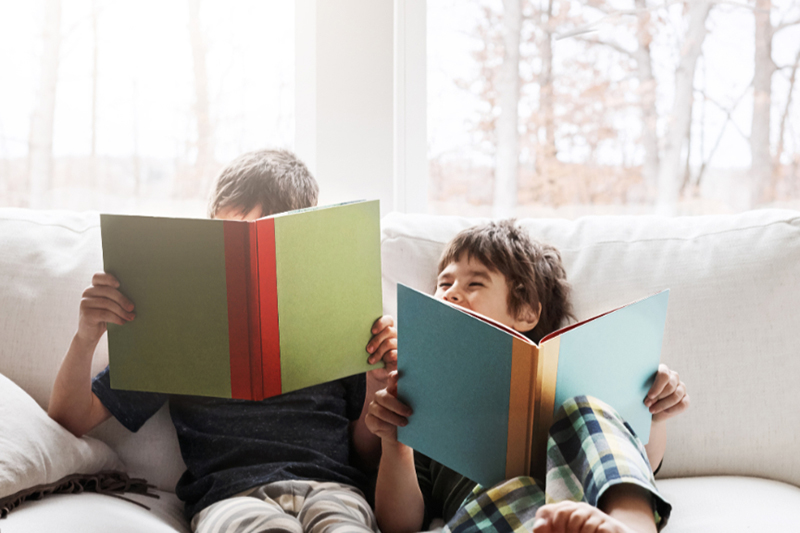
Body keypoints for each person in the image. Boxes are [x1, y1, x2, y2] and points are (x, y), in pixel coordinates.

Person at [48, 148, 398, 533]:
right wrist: (86, 337)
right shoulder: (178, 321)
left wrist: (376, 383)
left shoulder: (337, 315)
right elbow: (71, 417)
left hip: (332, 488)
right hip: (231, 497)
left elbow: (365, 452)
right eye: (230, 233)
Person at [366, 220, 689, 533]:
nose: (450, 293)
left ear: (525, 312)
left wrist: (653, 412)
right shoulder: (423, 395)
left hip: (585, 503)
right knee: (513, 489)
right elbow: (400, 524)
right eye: (444, 283)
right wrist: (396, 447)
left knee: (588, 410)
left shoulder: (573, 376)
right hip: (495, 509)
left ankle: (631, 524)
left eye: (474, 284)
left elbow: (641, 460)